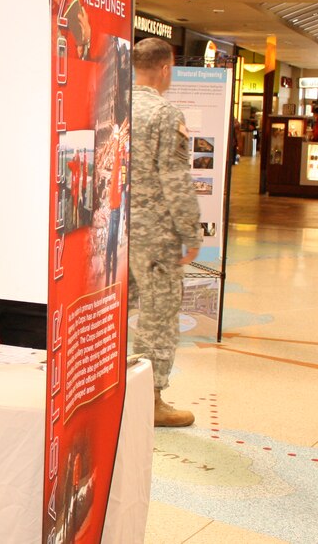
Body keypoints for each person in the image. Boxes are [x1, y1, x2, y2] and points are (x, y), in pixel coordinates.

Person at [128, 38, 202, 427]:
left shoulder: (113, 104)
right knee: (158, 313)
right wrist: (191, 231)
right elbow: (174, 177)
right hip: (154, 234)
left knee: (113, 309)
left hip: (112, 231)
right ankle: (150, 399)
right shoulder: (163, 113)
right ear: (166, 68)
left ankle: (104, 381)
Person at [105, 135, 125, 286]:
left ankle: (109, 273)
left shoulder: (116, 171)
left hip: (114, 210)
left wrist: (117, 140)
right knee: (111, 244)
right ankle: (110, 272)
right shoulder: (118, 173)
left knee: (110, 242)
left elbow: (117, 157)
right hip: (115, 209)